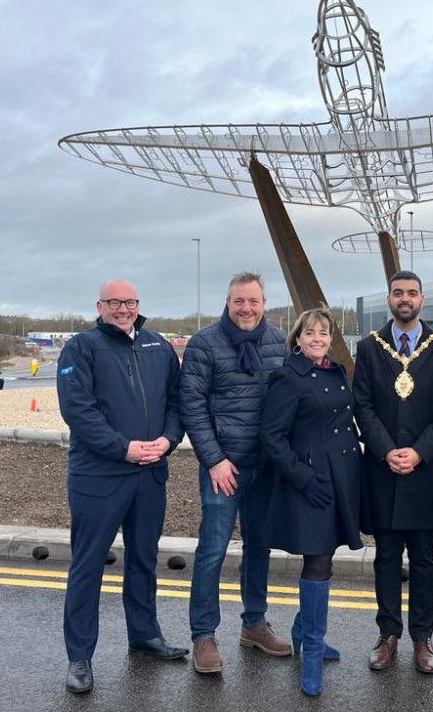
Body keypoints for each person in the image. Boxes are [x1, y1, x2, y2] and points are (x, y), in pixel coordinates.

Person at [56, 279, 187, 695]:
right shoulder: (81, 348)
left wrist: (168, 440)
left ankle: (144, 635)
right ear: (100, 305)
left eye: (130, 302)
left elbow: (176, 402)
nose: (123, 309)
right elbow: (78, 410)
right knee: (87, 566)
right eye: (115, 302)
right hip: (99, 476)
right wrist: (123, 449)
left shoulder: (157, 346)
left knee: (144, 560)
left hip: (150, 473)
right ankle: (80, 656)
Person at [180, 271, 291, 673]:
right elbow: (191, 406)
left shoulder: (280, 342)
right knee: (212, 552)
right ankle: (203, 635)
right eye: (238, 301)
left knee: (259, 548)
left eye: (254, 301)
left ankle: (254, 624)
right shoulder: (204, 343)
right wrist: (213, 459)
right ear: (227, 302)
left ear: (265, 303)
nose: (246, 308)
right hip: (223, 469)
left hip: (266, 468)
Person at [352, 270, 433, 674]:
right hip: (382, 470)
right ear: (389, 299)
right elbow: (361, 405)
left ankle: (422, 636)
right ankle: (387, 634)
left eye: (412, 293)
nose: (405, 299)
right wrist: (386, 451)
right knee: (384, 557)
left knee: (423, 559)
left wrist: (417, 452)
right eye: (398, 293)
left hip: (424, 471)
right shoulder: (368, 347)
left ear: (421, 300)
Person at [260, 307, 362, 696]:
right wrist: (303, 477)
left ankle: (304, 630)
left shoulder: (335, 372)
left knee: (327, 554)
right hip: (310, 481)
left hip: (343, 478)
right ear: (297, 338)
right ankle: (313, 649)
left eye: (324, 332)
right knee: (317, 558)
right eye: (310, 333)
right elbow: (272, 438)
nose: (318, 338)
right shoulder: (288, 377)